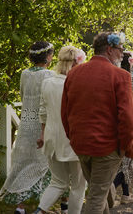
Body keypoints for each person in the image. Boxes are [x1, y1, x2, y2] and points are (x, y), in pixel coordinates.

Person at [61, 32, 133, 214]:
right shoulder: (120, 75)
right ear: (109, 50)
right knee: (96, 198)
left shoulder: (73, 73)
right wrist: (126, 145)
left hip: (80, 145)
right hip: (107, 147)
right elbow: (127, 116)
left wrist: (72, 138)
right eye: (120, 50)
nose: (122, 54)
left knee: (98, 192)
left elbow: (65, 111)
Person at [0, 41, 54, 213]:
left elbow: (23, 95)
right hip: (41, 124)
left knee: (23, 164)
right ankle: (41, 207)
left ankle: (20, 207)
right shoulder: (49, 75)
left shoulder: (24, 74)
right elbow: (49, 101)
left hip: (26, 123)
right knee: (44, 164)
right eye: (51, 54)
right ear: (47, 56)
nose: (52, 57)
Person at [33, 46, 87, 214]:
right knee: (78, 186)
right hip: (72, 141)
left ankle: (39, 211)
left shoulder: (47, 83)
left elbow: (42, 112)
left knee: (57, 182)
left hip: (51, 138)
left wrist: (42, 134)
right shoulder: (77, 83)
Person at [110, 51, 133, 206]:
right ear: (131, 63)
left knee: (122, 161)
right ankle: (112, 186)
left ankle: (126, 194)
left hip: (113, 124)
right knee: (129, 160)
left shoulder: (111, 79)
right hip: (130, 124)